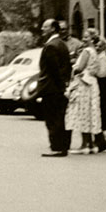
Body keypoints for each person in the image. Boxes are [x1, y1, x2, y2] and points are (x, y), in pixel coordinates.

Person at [38, 18, 71, 157]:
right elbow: (67, 67)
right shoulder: (62, 44)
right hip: (58, 88)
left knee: (52, 118)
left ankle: (57, 147)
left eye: (45, 26)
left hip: (52, 88)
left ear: (52, 28)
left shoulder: (51, 45)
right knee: (60, 117)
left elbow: (53, 70)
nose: (42, 29)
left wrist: (60, 86)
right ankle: (62, 146)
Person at [65, 32, 103, 153]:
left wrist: (73, 66)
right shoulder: (95, 52)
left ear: (92, 39)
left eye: (86, 37)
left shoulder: (86, 51)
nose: (83, 39)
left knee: (82, 111)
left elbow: (80, 68)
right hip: (92, 83)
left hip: (83, 83)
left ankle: (84, 144)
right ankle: (91, 144)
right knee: (90, 112)